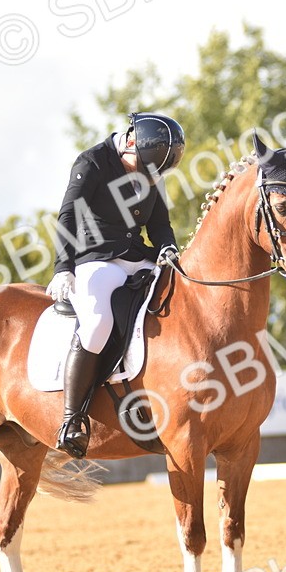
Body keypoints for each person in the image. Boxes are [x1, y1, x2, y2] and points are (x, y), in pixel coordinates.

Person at [46, 112, 186, 457]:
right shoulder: (92, 162)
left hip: (138, 255)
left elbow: (160, 224)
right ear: (130, 142)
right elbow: (68, 215)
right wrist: (63, 267)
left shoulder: (150, 171)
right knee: (98, 322)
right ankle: (72, 419)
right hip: (94, 260)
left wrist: (167, 246)